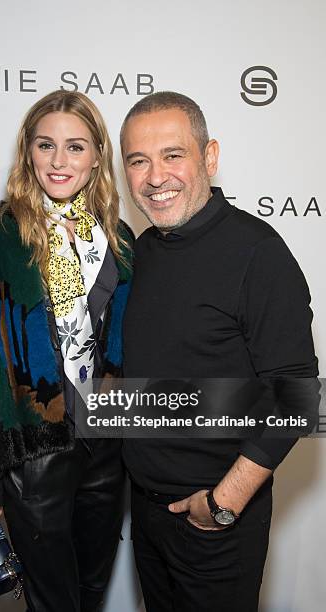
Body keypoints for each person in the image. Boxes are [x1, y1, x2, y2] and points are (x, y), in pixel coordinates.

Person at [120, 92, 318, 611]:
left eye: (172, 155)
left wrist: (222, 504)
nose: (155, 176)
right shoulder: (140, 252)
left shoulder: (258, 253)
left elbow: (297, 395)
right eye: (138, 160)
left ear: (209, 157)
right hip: (146, 514)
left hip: (214, 523)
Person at [0, 90, 133, 612]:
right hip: (32, 452)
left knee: (90, 594)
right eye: (46, 145)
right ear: (28, 152)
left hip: (107, 446)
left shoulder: (120, 239)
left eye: (75, 146)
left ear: (96, 157)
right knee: (52, 601)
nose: (59, 160)